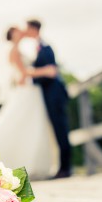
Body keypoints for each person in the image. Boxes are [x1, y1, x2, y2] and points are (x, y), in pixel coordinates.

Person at [0, 27, 59, 179]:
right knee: (19, 125)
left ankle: (31, 163)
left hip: (29, 91)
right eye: (17, 30)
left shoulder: (17, 49)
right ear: (12, 35)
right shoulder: (13, 50)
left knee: (29, 127)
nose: (22, 31)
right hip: (25, 92)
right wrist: (46, 71)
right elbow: (22, 73)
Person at [24, 19, 71, 178]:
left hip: (55, 94)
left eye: (28, 28)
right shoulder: (36, 48)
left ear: (34, 29)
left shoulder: (46, 47)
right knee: (56, 129)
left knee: (61, 129)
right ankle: (62, 167)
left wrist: (32, 73)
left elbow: (52, 72)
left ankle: (65, 168)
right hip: (47, 94)